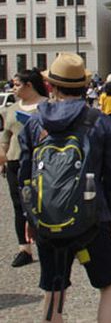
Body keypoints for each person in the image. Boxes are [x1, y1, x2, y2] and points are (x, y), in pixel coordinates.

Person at [18, 53, 111, 322]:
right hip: (91, 217)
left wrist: (30, 217)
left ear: (50, 86)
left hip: (47, 221)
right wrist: (109, 212)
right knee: (108, 286)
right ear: (85, 86)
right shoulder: (99, 122)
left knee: (54, 291)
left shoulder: (34, 125)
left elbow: (26, 177)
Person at [0, 69, 47, 267]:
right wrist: (2, 155)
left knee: (44, 204)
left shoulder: (47, 106)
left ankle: (49, 244)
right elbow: (5, 137)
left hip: (41, 163)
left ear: (29, 85)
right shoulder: (10, 110)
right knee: (19, 205)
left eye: (17, 84)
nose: (14, 88)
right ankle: (24, 249)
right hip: (15, 161)